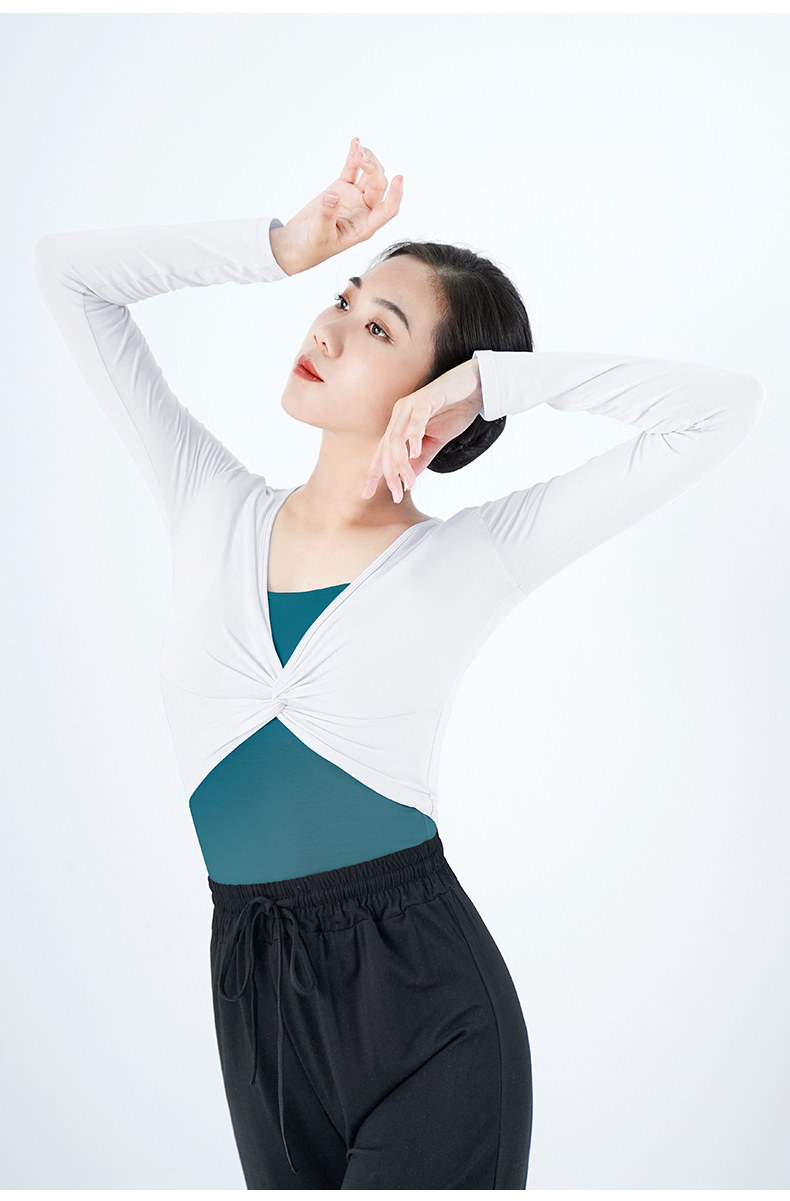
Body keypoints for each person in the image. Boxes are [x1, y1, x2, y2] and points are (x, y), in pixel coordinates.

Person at [33, 136, 764, 1190]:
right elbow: (68, 273)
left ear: (440, 385)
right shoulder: (206, 502)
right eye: (341, 298)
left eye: (379, 327)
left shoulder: (472, 556)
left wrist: (494, 385)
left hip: (432, 1011)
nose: (329, 326)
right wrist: (282, 246)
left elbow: (720, 408)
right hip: (254, 992)